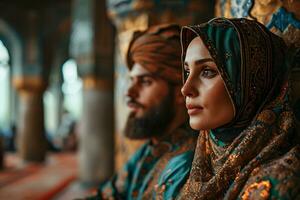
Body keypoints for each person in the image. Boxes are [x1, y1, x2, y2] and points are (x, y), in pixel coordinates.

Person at [179, 18, 300, 199]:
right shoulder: (197, 169)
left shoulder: (280, 183)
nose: (186, 89)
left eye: (207, 71)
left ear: (251, 83)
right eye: (187, 72)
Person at [90, 24, 197, 200]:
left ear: (181, 91)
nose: (129, 92)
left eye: (145, 81)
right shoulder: (150, 149)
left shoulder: (187, 163)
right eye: (131, 80)